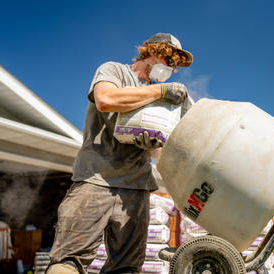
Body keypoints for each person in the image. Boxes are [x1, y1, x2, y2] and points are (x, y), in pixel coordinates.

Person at [46, 33, 193, 274]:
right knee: (68, 262)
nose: (172, 67)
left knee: (126, 267)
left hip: (135, 189)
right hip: (96, 179)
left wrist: (159, 145)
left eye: (175, 65)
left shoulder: (159, 96)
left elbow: (157, 150)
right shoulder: (114, 71)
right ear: (151, 51)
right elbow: (105, 99)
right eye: (169, 60)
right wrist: (161, 92)